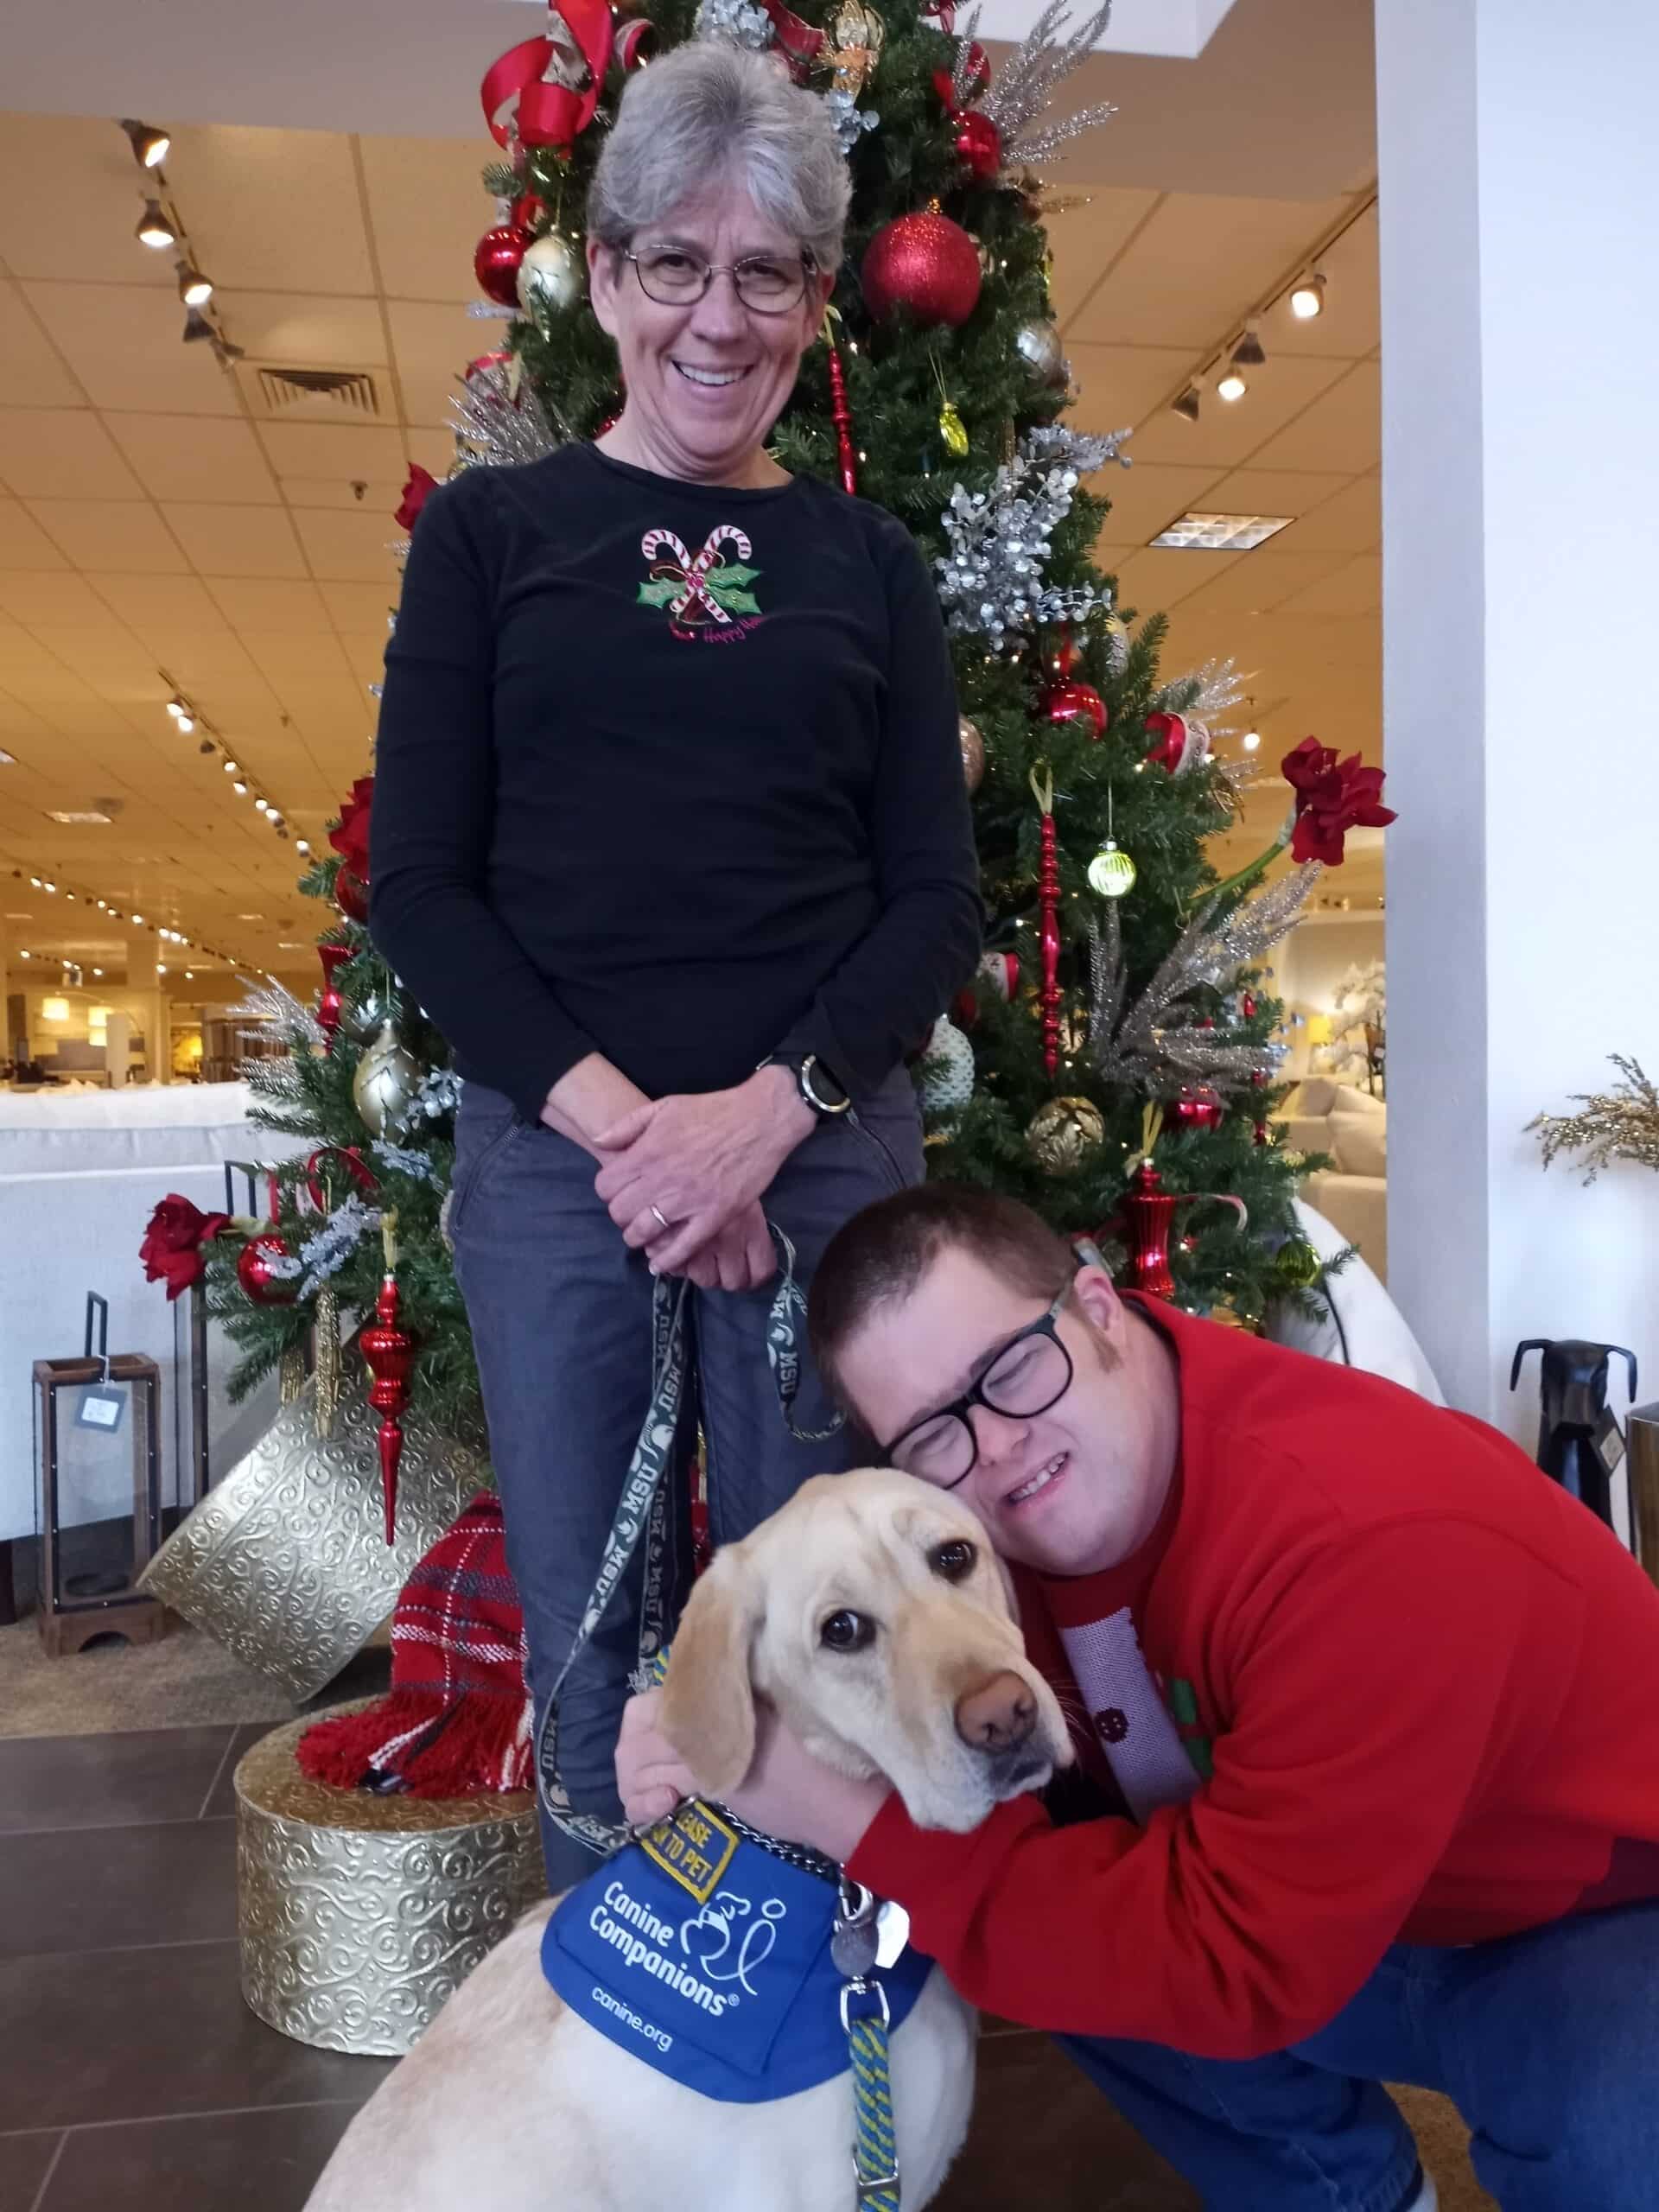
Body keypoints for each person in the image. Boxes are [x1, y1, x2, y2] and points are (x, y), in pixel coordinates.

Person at [370, 48, 979, 1886]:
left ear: (815, 300)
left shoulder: (868, 561)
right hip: (566, 1169)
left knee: (845, 1630)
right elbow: (422, 885)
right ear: (609, 269)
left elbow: (933, 896)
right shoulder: (490, 537)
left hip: (828, 1154)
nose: (722, 316)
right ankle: (636, 2042)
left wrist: (762, 1125)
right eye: (677, 265)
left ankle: (830, 2037)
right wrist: (652, 1145)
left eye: (770, 272)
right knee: (598, 1631)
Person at [617, 1182, 1659, 2209]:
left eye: (1014, 1367)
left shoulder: (1367, 1539)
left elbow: (1232, 1962)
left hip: (1592, 1911)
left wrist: (857, 1826)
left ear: (1101, 1306)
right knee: (1059, 1933)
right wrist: (707, 1721)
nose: (1000, 1443)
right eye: (934, 1432)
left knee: (1616, 2142)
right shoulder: (964, 1536)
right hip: (1336, 1905)